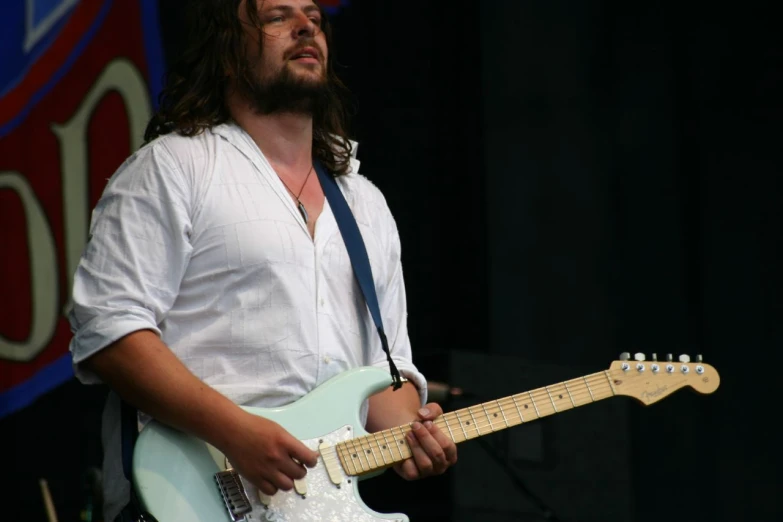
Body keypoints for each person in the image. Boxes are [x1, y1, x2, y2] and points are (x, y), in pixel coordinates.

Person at [67, 0, 457, 520]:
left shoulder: (364, 204)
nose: (305, 28)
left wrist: (412, 432)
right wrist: (234, 431)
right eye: (278, 17)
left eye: (315, 19)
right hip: (193, 497)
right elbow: (108, 334)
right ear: (228, 53)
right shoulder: (173, 167)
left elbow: (384, 376)